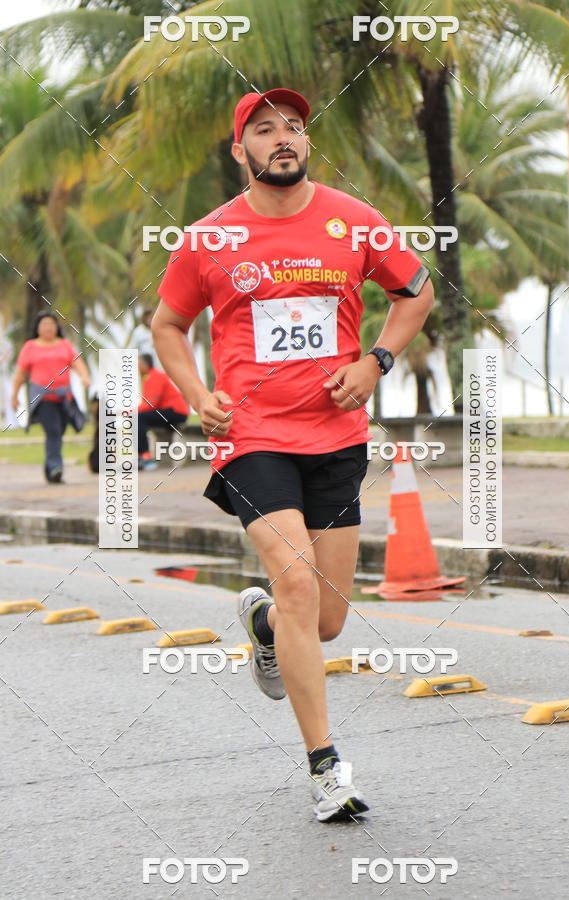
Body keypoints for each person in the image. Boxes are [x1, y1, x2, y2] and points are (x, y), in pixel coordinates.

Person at [151, 88, 434, 821]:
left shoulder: (354, 220)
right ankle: (326, 766)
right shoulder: (210, 238)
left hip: (336, 437)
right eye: (266, 129)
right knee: (299, 586)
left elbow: (416, 291)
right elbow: (168, 325)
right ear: (239, 150)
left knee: (326, 619)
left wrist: (376, 360)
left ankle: (268, 628)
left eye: (295, 128)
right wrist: (194, 394)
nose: (285, 138)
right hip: (252, 438)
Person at [12, 312, 90, 483]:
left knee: (59, 431)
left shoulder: (65, 344)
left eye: (51, 324)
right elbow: (20, 374)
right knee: (53, 430)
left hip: (64, 396)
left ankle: (50, 470)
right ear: (38, 328)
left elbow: (77, 363)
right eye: (44, 324)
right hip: (42, 398)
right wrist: (14, 396)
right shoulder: (30, 347)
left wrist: (85, 377)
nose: (48, 327)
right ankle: (56, 467)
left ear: (56, 327)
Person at [137, 353, 189, 470]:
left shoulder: (156, 376)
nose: (137, 367)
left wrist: (129, 411)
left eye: (138, 363)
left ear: (145, 364)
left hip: (176, 412)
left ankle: (146, 458)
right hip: (167, 412)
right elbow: (147, 404)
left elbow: (151, 403)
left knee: (138, 418)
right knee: (137, 418)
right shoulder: (148, 378)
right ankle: (141, 456)